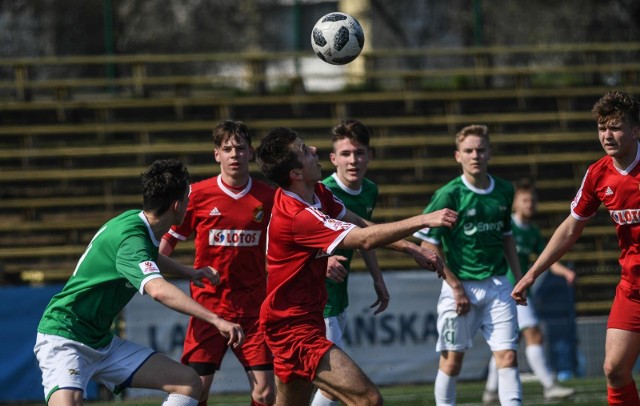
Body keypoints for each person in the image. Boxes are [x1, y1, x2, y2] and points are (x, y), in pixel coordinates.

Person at [254, 127, 458, 406]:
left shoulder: (317, 193)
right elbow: (364, 239)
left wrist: (411, 248)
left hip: (302, 319)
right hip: (292, 328)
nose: (314, 150)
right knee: (368, 399)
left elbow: (358, 223)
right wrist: (424, 219)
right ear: (296, 174)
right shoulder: (297, 215)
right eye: (304, 150)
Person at [34, 159, 245, 406]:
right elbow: (157, 290)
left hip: (101, 341)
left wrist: (187, 272)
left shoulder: (138, 225)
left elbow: (150, 255)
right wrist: (216, 319)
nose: (190, 204)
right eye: (188, 199)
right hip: (65, 337)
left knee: (188, 382)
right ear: (177, 206)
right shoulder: (131, 238)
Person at [512, 90, 640, 405]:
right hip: (633, 288)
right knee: (614, 370)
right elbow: (570, 228)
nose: (607, 135)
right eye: (602, 128)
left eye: (616, 127)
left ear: (636, 130)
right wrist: (531, 274)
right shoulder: (598, 174)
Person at [159, 120, 276, 406]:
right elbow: (169, 239)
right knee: (195, 391)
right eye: (227, 149)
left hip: (252, 308)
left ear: (250, 153)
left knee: (265, 393)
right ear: (216, 154)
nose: (234, 154)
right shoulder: (197, 195)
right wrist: (150, 266)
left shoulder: (269, 197)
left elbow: (291, 238)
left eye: (240, 148)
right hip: (208, 308)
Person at [413, 124, 524, 406]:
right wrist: (454, 285)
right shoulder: (448, 194)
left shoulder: (505, 190)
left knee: (508, 356)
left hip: (498, 285)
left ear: (490, 153)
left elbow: (507, 235)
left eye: (481, 149)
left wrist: (520, 278)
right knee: (452, 361)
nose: (475, 155)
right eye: (469, 150)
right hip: (459, 288)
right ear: (457, 156)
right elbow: (427, 243)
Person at [311, 120, 389, 406]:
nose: (352, 160)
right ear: (333, 159)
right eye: (345, 154)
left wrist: (377, 278)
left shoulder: (369, 190)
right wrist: (325, 256)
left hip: (339, 295)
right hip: (317, 297)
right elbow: (303, 233)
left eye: (358, 153)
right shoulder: (320, 191)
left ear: (369, 155)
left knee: (317, 382)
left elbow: (365, 237)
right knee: (334, 382)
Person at [482, 178, 576, 404]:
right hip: (507, 290)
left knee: (506, 342)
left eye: (532, 200)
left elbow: (548, 258)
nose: (529, 204)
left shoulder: (532, 232)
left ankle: (491, 390)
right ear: (514, 204)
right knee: (533, 334)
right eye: (524, 200)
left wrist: (564, 272)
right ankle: (550, 385)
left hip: (521, 290)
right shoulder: (507, 226)